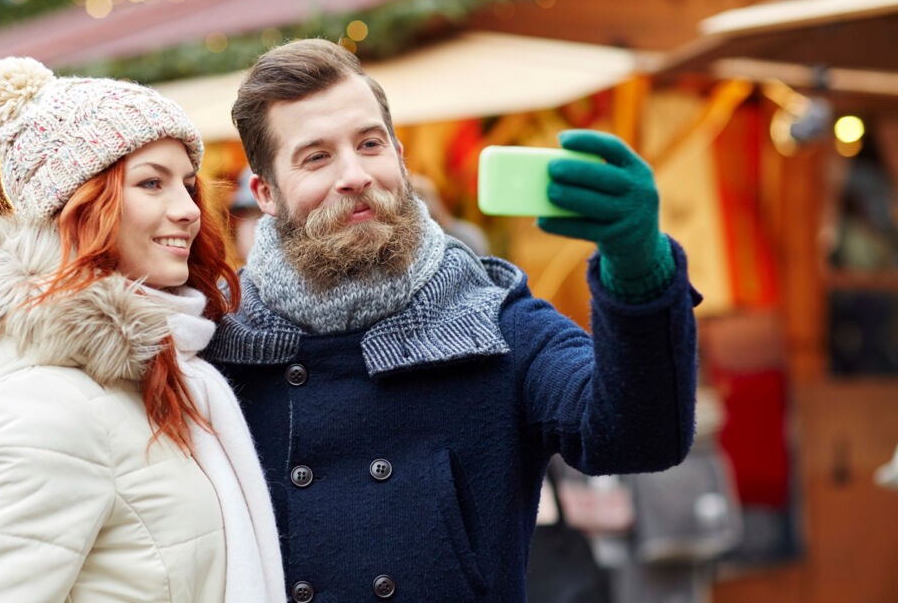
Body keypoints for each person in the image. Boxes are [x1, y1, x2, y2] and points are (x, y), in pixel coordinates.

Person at [203, 38, 702, 602]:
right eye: (316, 157)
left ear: (398, 155)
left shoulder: (495, 321)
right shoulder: (217, 345)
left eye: (370, 144)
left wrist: (638, 265)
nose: (355, 175)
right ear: (266, 194)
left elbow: (642, 438)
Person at [0, 57, 284, 602]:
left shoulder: (157, 366)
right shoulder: (49, 407)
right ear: (76, 207)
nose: (187, 210)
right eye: (150, 183)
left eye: (187, 184)